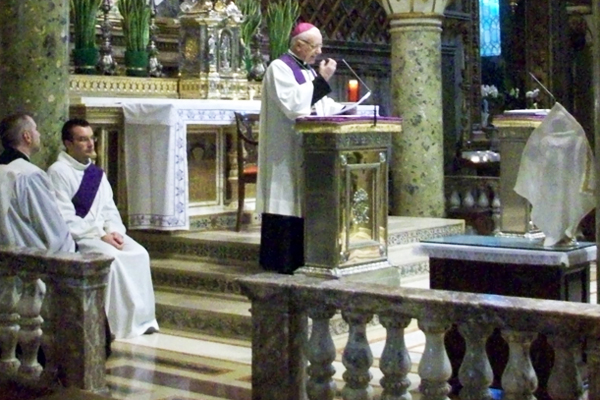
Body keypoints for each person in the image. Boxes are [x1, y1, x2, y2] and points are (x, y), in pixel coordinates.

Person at [47, 118, 159, 339]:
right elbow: (64, 217)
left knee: (140, 253)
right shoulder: (58, 172)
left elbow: (110, 209)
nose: (90, 143)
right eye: (83, 139)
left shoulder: (96, 173)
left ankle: (141, 320)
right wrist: (101, 235)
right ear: (68, 144)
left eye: (92, 138)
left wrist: (115, 231)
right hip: (81, 236)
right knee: (112, 259)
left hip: (105, 233)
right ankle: (115, 325)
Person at [256, 22, 346, 274]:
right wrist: (322, 79)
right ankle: (281, 261)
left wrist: (348, 109)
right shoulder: (280, 68)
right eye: (315, 46)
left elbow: (319, 104)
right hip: (285, 148)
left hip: (306, 147)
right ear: (299, 45)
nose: (319, 52)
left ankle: (304, 257)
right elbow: (294, 106)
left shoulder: (305, 70)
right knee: (285, 197)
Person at [0, 112, 75, 252]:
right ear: (27, 136)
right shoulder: (30, 176)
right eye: (36, 129)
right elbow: (52, 229)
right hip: (30, 259)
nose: (39, 134)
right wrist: (71, 250)